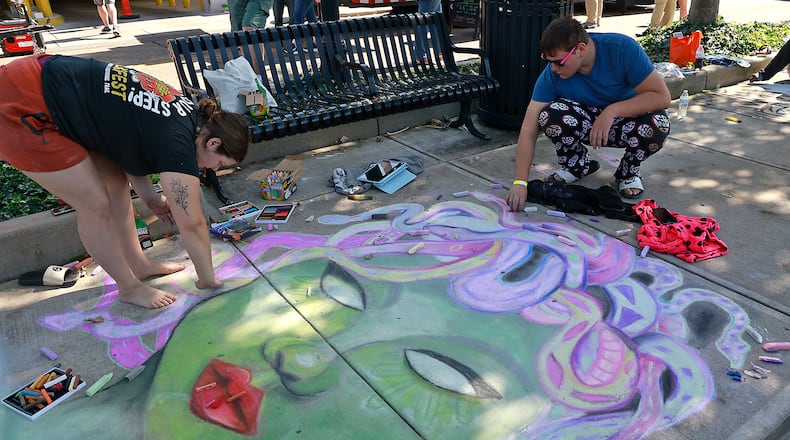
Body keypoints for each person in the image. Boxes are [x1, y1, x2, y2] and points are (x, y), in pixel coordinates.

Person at [0, 54, 250, 308]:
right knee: (96, 204)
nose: (213, 169)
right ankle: (129, 288)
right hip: (19, 103)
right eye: (219, 164)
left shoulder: (185, 117)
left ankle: (139, 266)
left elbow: (130, 143)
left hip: (47, 86)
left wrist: (149, 197)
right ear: (213, 143)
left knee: (116, 188)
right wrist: (209, 281)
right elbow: (193, 224)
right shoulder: (178, 144)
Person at [505, 17, 671, 212]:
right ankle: (576, 164)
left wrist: (612, 111)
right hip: (587, 122)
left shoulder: (622, 49)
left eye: (559, 62)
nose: (554, 68)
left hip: (624, 121)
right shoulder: (553, 74)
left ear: (580, 49)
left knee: (658, 124)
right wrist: (520, 182)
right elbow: (528, 128)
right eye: (548, 61)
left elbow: (662, 97)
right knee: (549, 115)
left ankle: (628, 172)